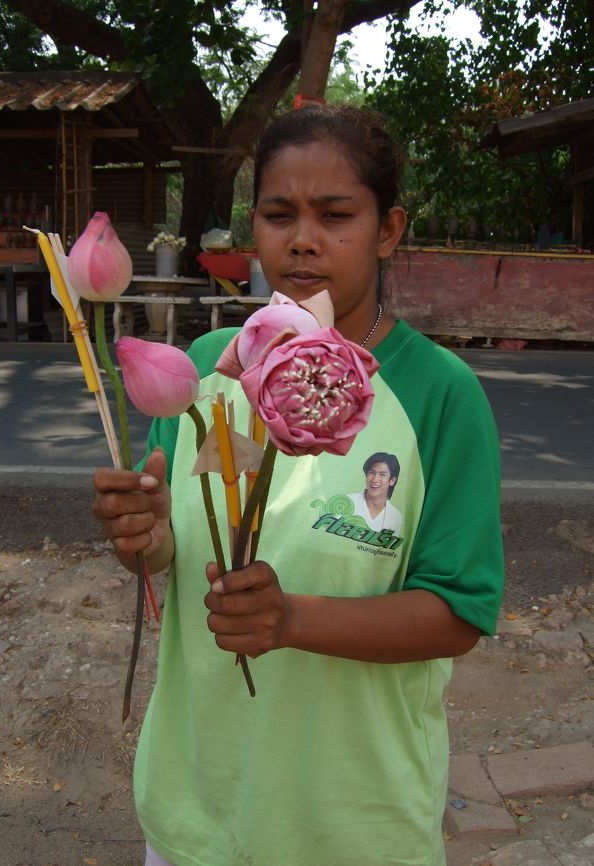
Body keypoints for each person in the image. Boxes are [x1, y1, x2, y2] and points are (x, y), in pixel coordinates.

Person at [92, 104, 504, 866]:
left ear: (388, 230)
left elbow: (458, 611)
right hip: (196, 814)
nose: (304, 238)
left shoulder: (440, 394)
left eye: (336, 214)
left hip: (354, 827)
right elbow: (168, 557)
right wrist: (142, 540)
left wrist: (292, 620)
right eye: (279, 214)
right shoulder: (209, 371)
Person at [347, 451, 403, 534]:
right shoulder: (347, 502)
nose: (375, 479)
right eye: (371, 473)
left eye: (382, 474)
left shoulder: (396, 516)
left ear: (392, 480)